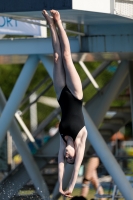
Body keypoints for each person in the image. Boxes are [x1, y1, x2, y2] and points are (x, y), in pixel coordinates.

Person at [42, 10, 87, 198]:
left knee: (57, 57)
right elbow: (75, 171)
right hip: (75, 95)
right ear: (75, 155)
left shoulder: (62, 140)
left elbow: (60, 164)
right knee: (67, 56)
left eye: (66, 158)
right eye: (70, 158)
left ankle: (50, 25)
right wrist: (69, 185)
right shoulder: (80, 140)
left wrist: (59, 185)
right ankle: (59, 22)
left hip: (61, 95)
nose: (66, 156)